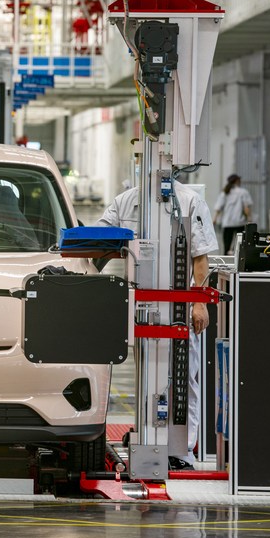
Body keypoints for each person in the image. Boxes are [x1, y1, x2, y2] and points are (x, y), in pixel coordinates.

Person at [97, 180, 219, 470]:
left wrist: (199, 303)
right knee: (147, 373)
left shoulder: (189, 201)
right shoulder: (126, 201)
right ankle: (148, 433)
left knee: (184, 377)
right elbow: (99, 242)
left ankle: (182, 449)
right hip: (143, 305)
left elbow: (201, 258)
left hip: (181, 305)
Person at [212, 174, 252, 254]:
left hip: (227, 223)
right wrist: (249, 218)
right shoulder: (243, 192)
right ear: (237, 181)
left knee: (226, 245)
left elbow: (218, 208)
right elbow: (246, 207)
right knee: (240, 244)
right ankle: (237, 258)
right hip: (239, 222)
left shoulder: (225, 192)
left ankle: (226, 259)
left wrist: (215, 219)